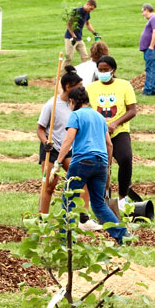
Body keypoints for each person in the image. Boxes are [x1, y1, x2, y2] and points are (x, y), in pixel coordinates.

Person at [51, 86, 126, 244]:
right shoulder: (99, 117)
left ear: (72, 102)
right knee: (98, 204)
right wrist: (107, 166)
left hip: (82, 162)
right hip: (101, 162)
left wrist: (58, 162)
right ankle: (122, 236)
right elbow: (109, 144)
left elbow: (68, 140)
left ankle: (66, 241)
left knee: (69, 200)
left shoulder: (76, 115)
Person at [36, 66, 100, 231]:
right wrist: (45, 142)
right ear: (68, 87)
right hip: (51, 149)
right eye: (79, 86)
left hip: (69, 149)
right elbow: (40, 128)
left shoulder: (77, 105)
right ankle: (42, 220)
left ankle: (84, 219)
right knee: (48, 185)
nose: (82, 89)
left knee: (81, 181)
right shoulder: (52, 104)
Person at [86, 56, 137, 203]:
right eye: (100, 70)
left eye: (105, 70)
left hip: (119, 131)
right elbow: (84, 108)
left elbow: (132, 110)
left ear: (113, 70)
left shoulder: (125, 85)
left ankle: (122, 197)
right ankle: (101, 198)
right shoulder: (91, 88)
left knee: (126, 159)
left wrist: (115, 123)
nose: (102, 72)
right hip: (98, 133)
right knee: (101, 165)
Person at [63, 0, 98, 66]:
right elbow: (69, 24)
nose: (91, 10)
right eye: (90, 8)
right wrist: (73, 36)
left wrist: (94, 32)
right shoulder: (76, 11)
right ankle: (61, 75)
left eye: (92, 10)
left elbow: (87, 24)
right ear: (87, 4)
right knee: (69, 58)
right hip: (70, 38)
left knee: (85, 57)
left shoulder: (87, 13)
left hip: (79, 38)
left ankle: (86, 74)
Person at [139, 4, 155, 96]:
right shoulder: (153, 19)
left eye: (142, 11)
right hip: (150, 49)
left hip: (152, 49)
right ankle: (153, 89)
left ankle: (147, 90)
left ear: (147, 10)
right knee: (152, 69)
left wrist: (151, 46)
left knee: (150, 70)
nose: (142, 14)